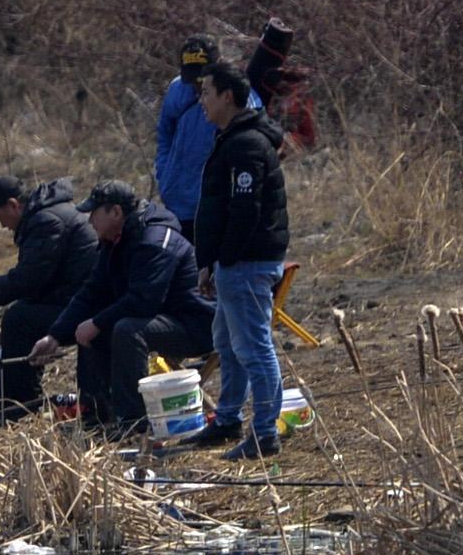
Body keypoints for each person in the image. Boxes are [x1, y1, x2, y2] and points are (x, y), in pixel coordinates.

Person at [31, 181, 214, 436]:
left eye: (94, 213)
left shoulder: (155, 239)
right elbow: (92, 291)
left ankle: (132, 423)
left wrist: (96, 323)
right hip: (162, 319)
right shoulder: (114, 241)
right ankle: (96, 415)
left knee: (126, 330)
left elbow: (143, 300)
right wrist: (55, 335)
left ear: (115, 212)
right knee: (95, 330)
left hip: (195, 324)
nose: (89, 220)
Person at [183, 61, 290, 461]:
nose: (201, 101)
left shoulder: (247, 145)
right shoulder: (231, 138)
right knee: (227, 343)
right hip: (232, 263)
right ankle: (227, 419)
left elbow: (245, 213)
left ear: (228, 96)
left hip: (247, 262)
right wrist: (210, 262)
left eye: (207, 92)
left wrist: (224, 259)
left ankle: (265, 432)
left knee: (254, 346)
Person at [0, 175, 99, 420]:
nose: (3, 226)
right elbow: (41, 286)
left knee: (18, 319)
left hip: (88, 307)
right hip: (77, 300)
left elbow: (30, 276)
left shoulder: (45, 221)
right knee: (20, 317)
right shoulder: (49, 214)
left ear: (13, 205)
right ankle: (21, 403)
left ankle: (18, 409)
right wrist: (4, 336)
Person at [153, 34, 259, 241]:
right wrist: (164, 173)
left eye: (201, 80)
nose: (196, 86)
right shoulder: (177, 89)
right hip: (176, 202)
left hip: (211, 204)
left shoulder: (236, 95)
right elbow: (165, 133)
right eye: (191, 79)